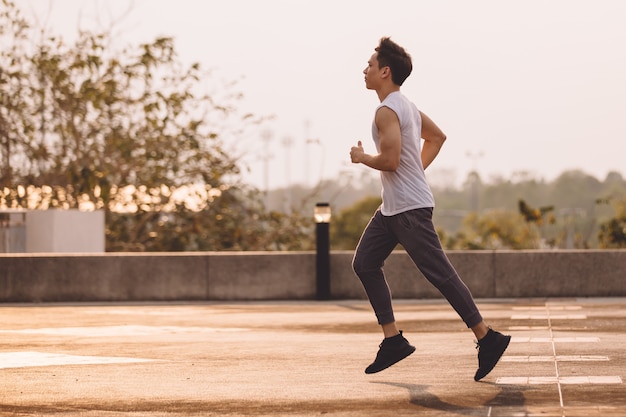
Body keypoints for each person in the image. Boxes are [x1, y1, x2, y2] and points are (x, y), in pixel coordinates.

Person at [349, 37, 510, 381]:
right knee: (364, 263)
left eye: (370, 65)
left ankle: (487, 337)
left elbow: (391, 161)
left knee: (440, 274)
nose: (365, 69)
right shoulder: (405, 106)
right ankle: (393, 340)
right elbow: (436, 139)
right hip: (394, 209)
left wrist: (364, 159)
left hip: (408, 210)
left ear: (385, 71)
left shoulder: (388, 110)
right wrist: (415, 173)